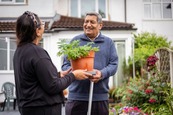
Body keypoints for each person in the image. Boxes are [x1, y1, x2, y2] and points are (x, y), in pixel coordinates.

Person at [13, 11, 92, 115]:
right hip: (43, 109)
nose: (43, 27)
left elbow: (34, 79)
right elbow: (53, 86)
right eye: (42, 24)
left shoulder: (19, 52)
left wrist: (59, 75)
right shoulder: (37, 52)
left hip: (28, 109)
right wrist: (73, 75)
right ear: (37, 31)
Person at [62, 12, 119, 115]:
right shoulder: (75, 41)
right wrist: (76, 73)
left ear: (100, 25)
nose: (88, 25)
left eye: (92, 22)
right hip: (76, 98)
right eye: (86, 21)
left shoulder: (108, 43)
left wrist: (101, 74)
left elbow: (114, 65)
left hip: (99, 99)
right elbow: (65, 64)